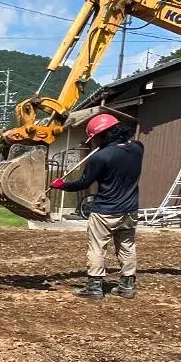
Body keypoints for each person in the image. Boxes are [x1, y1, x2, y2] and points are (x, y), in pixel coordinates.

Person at [50, 112, 144, 300]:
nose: (94, 142)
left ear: (104, 135)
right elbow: (129, 145)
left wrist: (63, 185)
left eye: (96, 138)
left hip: (105, 211)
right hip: (130, 210)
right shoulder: (138, 149)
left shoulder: (100, 158)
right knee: (127, 246)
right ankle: (127, 286)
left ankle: (94, 287)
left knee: (97, 247)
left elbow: (83, 183)